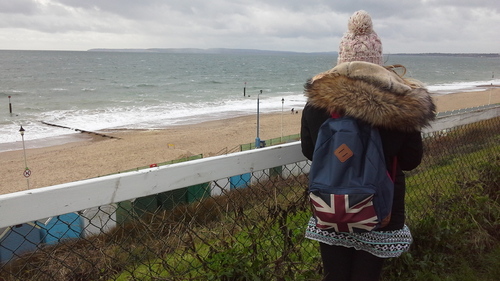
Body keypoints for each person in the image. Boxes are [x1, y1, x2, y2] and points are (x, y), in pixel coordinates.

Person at [300, 10, 436, 281]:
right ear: (378, 62)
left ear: (341, 60)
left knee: (335, 275)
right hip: (380, 208)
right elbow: (410, 160)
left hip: (332, 203)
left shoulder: (317, 104)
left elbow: (309, 151)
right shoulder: (402, 106)